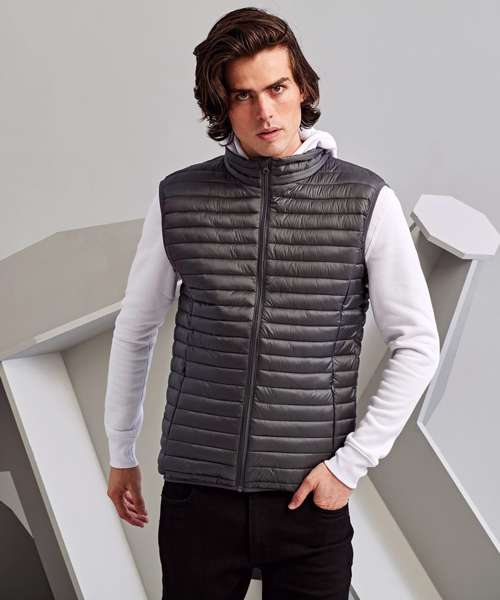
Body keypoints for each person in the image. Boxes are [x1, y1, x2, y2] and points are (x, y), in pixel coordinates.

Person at [104, 7, 441, 599]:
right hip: (199, 495)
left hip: (308, 498)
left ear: (302, 87)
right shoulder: (179, 198)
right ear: (221, 106)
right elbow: (136, 328)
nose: (265, 112)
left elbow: (417, 344)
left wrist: (351, 465)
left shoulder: (365, 200)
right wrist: (120, 449)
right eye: (244, 95)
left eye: (278, 88)